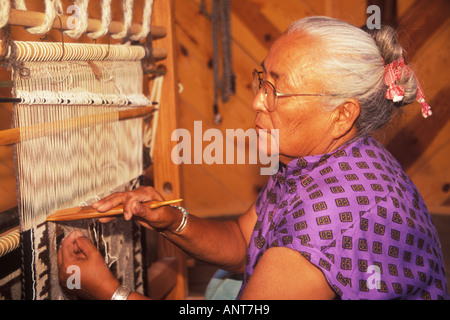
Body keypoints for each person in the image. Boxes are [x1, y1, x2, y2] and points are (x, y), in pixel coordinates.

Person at [58, 16, 448, 300]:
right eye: (262, 79)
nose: (256, 100)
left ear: (342, 114)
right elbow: (246, 242)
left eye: (276, 90)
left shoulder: (332, 218)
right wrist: (170, 219)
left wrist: (108, 292)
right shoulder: (323, 157)